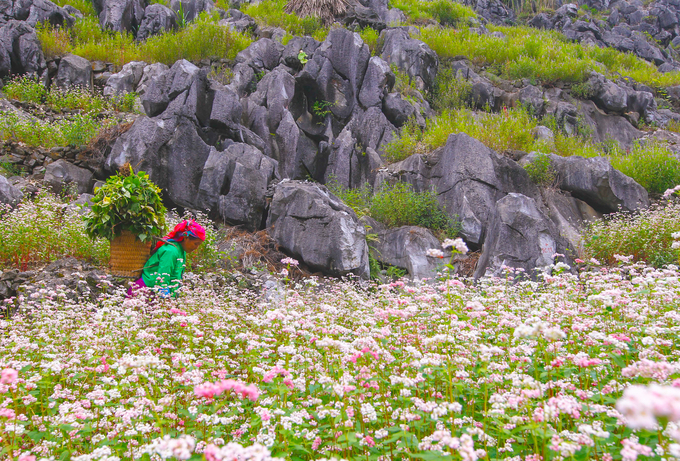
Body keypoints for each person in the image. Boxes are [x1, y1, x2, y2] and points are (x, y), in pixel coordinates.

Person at [126, 220, 206, 298]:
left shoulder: (181, 251)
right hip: (144, 292)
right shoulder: (171, 251)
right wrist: (165, 299)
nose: (196, 247)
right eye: (196, 243)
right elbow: (163, 277)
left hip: (156, 294)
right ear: (185, 238)